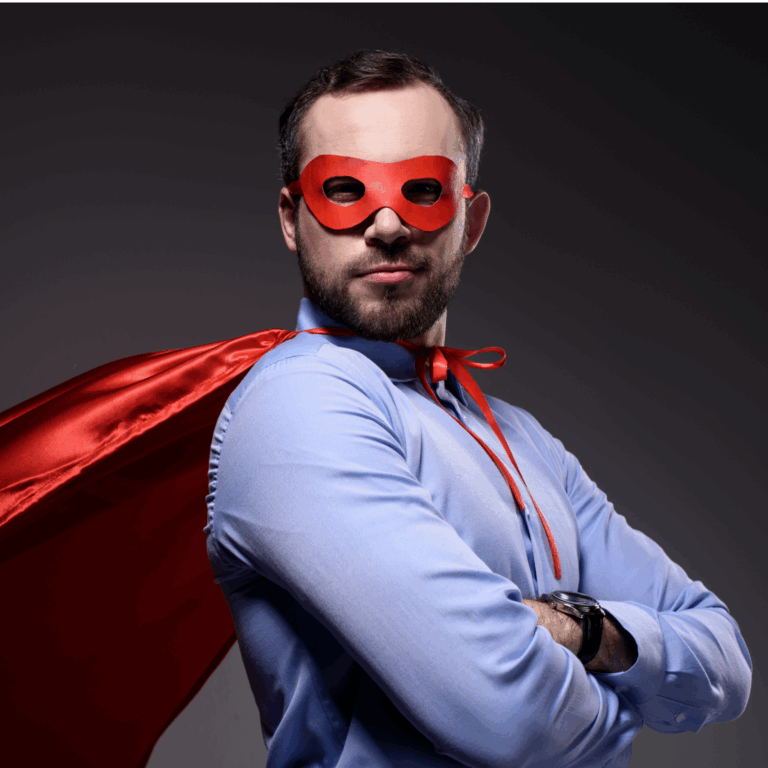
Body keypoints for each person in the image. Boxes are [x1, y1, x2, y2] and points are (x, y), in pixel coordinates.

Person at [204, 50, 751, 768]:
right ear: (290, 215)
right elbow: (512, 718)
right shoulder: (298, 405)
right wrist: (629, 693)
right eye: (344, 188)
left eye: (423, 188)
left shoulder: (524, 441)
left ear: (473, 218)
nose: (388, 224)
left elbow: (725, 659)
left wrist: (580, 628)